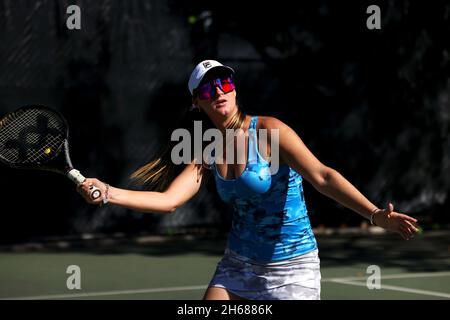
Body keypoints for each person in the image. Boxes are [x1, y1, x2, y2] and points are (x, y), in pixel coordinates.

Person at [77, 59, 420, 300]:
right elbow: (170, 201)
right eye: (208, 89)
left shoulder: (269, 131)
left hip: (293, 268)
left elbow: (323, 177)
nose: (219, 92)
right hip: (238, 266)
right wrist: (108, 192)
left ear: (234, 89)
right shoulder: (206, 149)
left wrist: (375, 215)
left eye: (224, 83)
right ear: (197, 102)